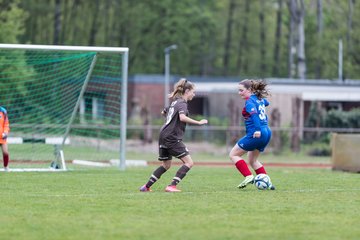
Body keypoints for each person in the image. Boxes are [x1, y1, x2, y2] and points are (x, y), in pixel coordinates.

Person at [139, 78, 208, 192]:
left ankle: (146, 187)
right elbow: (182, 117)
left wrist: (170, 122)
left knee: (166, 165)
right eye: (193, 92)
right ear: (187, 91)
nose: (194, 94)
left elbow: (164, 112)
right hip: (172, 137)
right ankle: (172, 186)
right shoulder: (182, 103)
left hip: (163, 135)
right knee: (189, 162)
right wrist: (199, 122)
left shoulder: (175, 102)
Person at [229, 79, 275, 190]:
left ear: (250, 90)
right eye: (238, 90)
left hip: (257, 133)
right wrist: (258, 98)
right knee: (252, 160)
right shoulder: (258, 99)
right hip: (267, 132)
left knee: (233, 154)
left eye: (241, 90)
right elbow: (266, 103)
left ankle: (248, 176)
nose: (239, 93)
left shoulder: (249, 101)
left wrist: (257, 130)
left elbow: (254, 116)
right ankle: (268, 183)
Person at [0, 106, 10, 171]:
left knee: (5, 152)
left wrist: (6, 132)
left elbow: (6, 123)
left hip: (2, 137)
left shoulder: (3, 111)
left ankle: (6, 167)